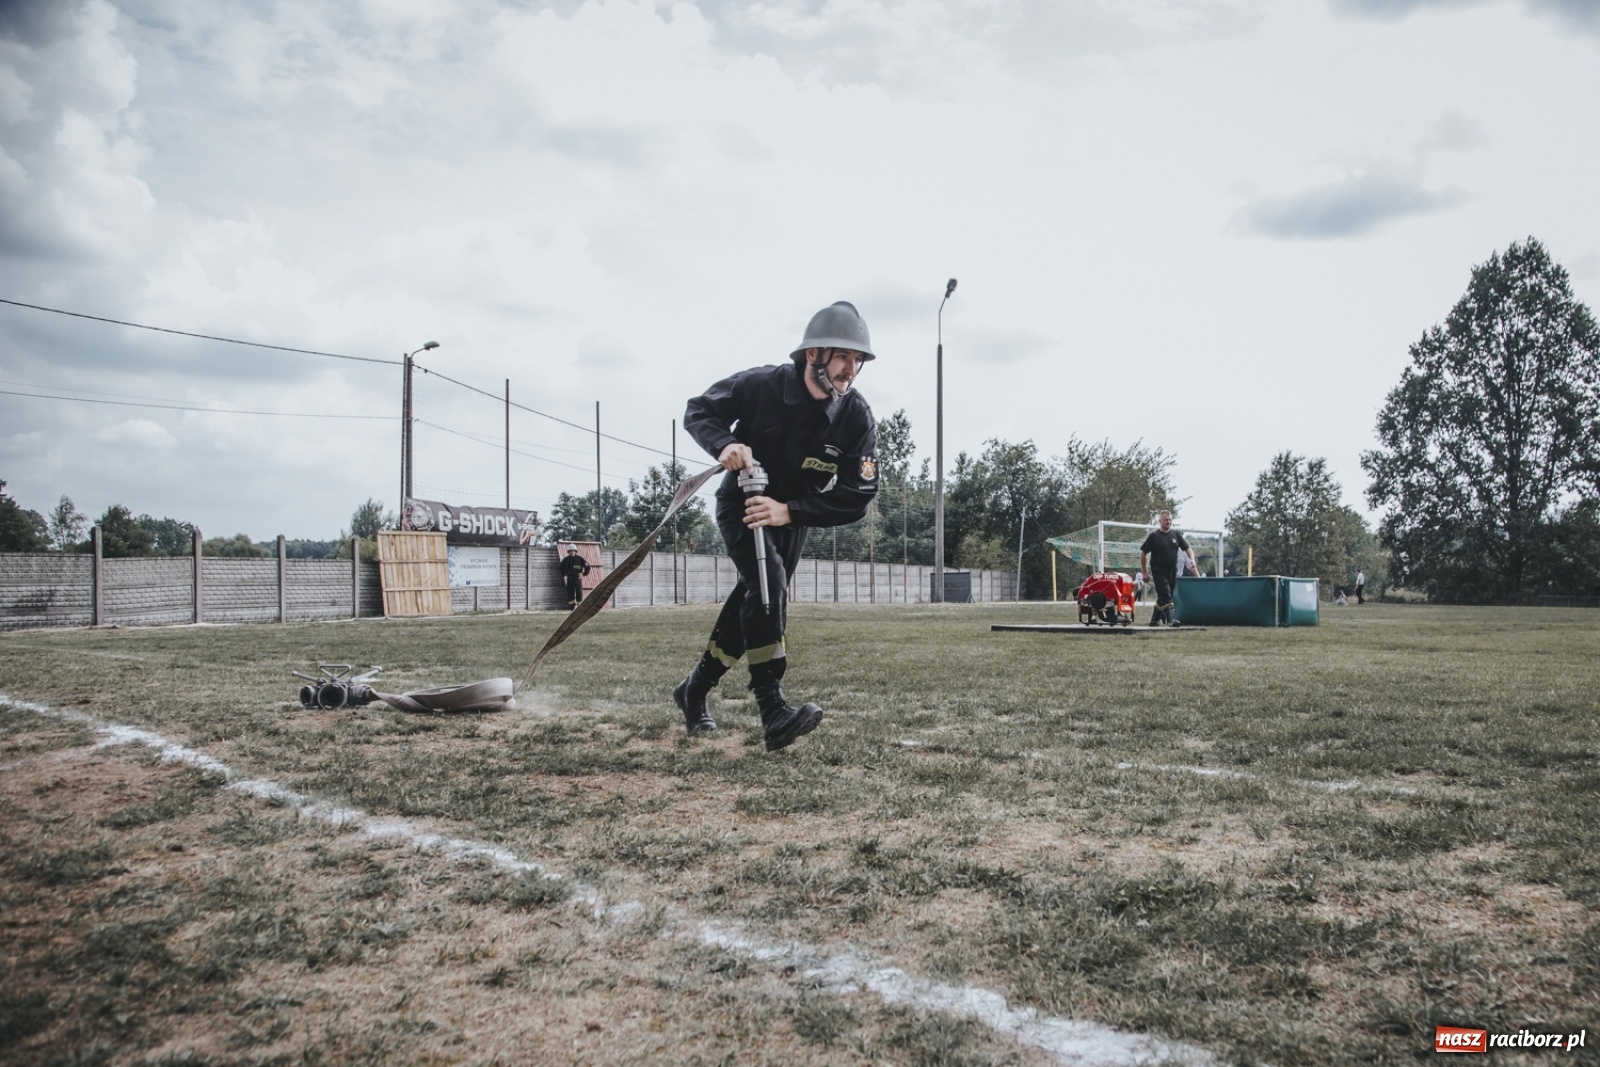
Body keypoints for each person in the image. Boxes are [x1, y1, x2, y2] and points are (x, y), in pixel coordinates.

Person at [672, 301, 880, 749]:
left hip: (791, 517)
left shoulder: (856, 417)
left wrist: (791, 511)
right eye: (843, 356)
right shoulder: (762, 384)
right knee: (768, 585)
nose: (850, 369)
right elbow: (698, 410)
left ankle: (693, 691)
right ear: (813, 355)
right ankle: (772, 710)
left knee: (756, 598)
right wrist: (724, 443)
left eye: (857, 359)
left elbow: (858, 496)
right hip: (743, 506)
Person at [1139, 510, 1194, 627]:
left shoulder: (1176, 535)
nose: (1168, 522)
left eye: (1170, 520)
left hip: (1172, 571)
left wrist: (1192, 559)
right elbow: (1143, 553)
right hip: (1158, 570)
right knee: (1166, 594)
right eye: (1165, 520)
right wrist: (1144, 572)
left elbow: (1188, 549)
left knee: (1164, 597)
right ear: (1160, 521)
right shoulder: (1154, 536)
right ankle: (1170, 620)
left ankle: (1154, 620)